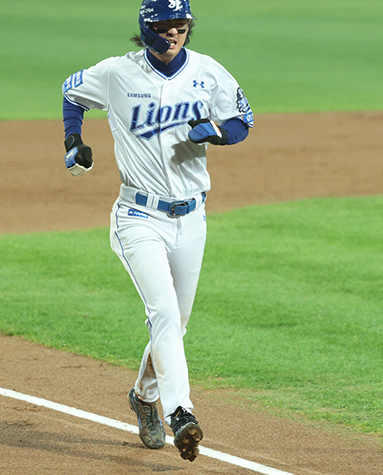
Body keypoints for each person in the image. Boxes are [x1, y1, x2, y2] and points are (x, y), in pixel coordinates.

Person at [61, 0, 253, 462]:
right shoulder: (116, 73)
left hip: (192, 220)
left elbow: (242, 122)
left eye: (181, 27)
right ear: (145, 29)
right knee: (164, 311)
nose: (173, 36)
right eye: (164, 28)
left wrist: (217, 133)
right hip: (137, 218)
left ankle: (144, 396)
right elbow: (71, 93)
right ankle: (181, 412)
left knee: (177, 323)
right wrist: (73, 140)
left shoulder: (208, 72)